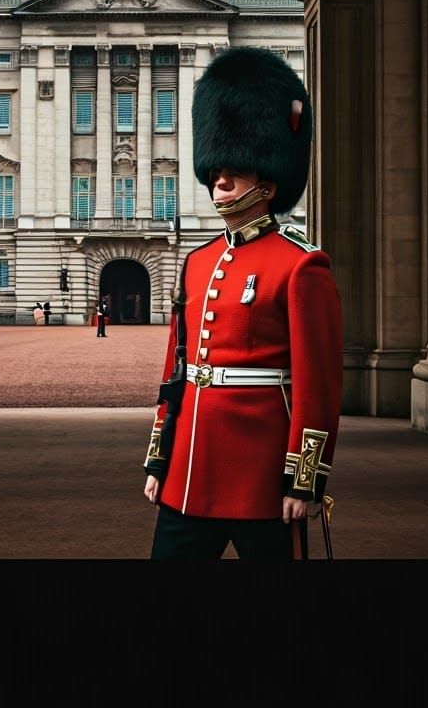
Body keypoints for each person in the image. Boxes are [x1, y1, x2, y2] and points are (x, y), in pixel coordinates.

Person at [142, 47, 344, 559]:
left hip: (262, 472)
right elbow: (178, 370)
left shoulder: (301, 265)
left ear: (268, 178)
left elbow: (317, 385)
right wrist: (160, 459)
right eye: (215, 169)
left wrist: (304, 480)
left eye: (235, 169)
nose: (219, 179)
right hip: (190, 467)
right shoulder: (197, 262)